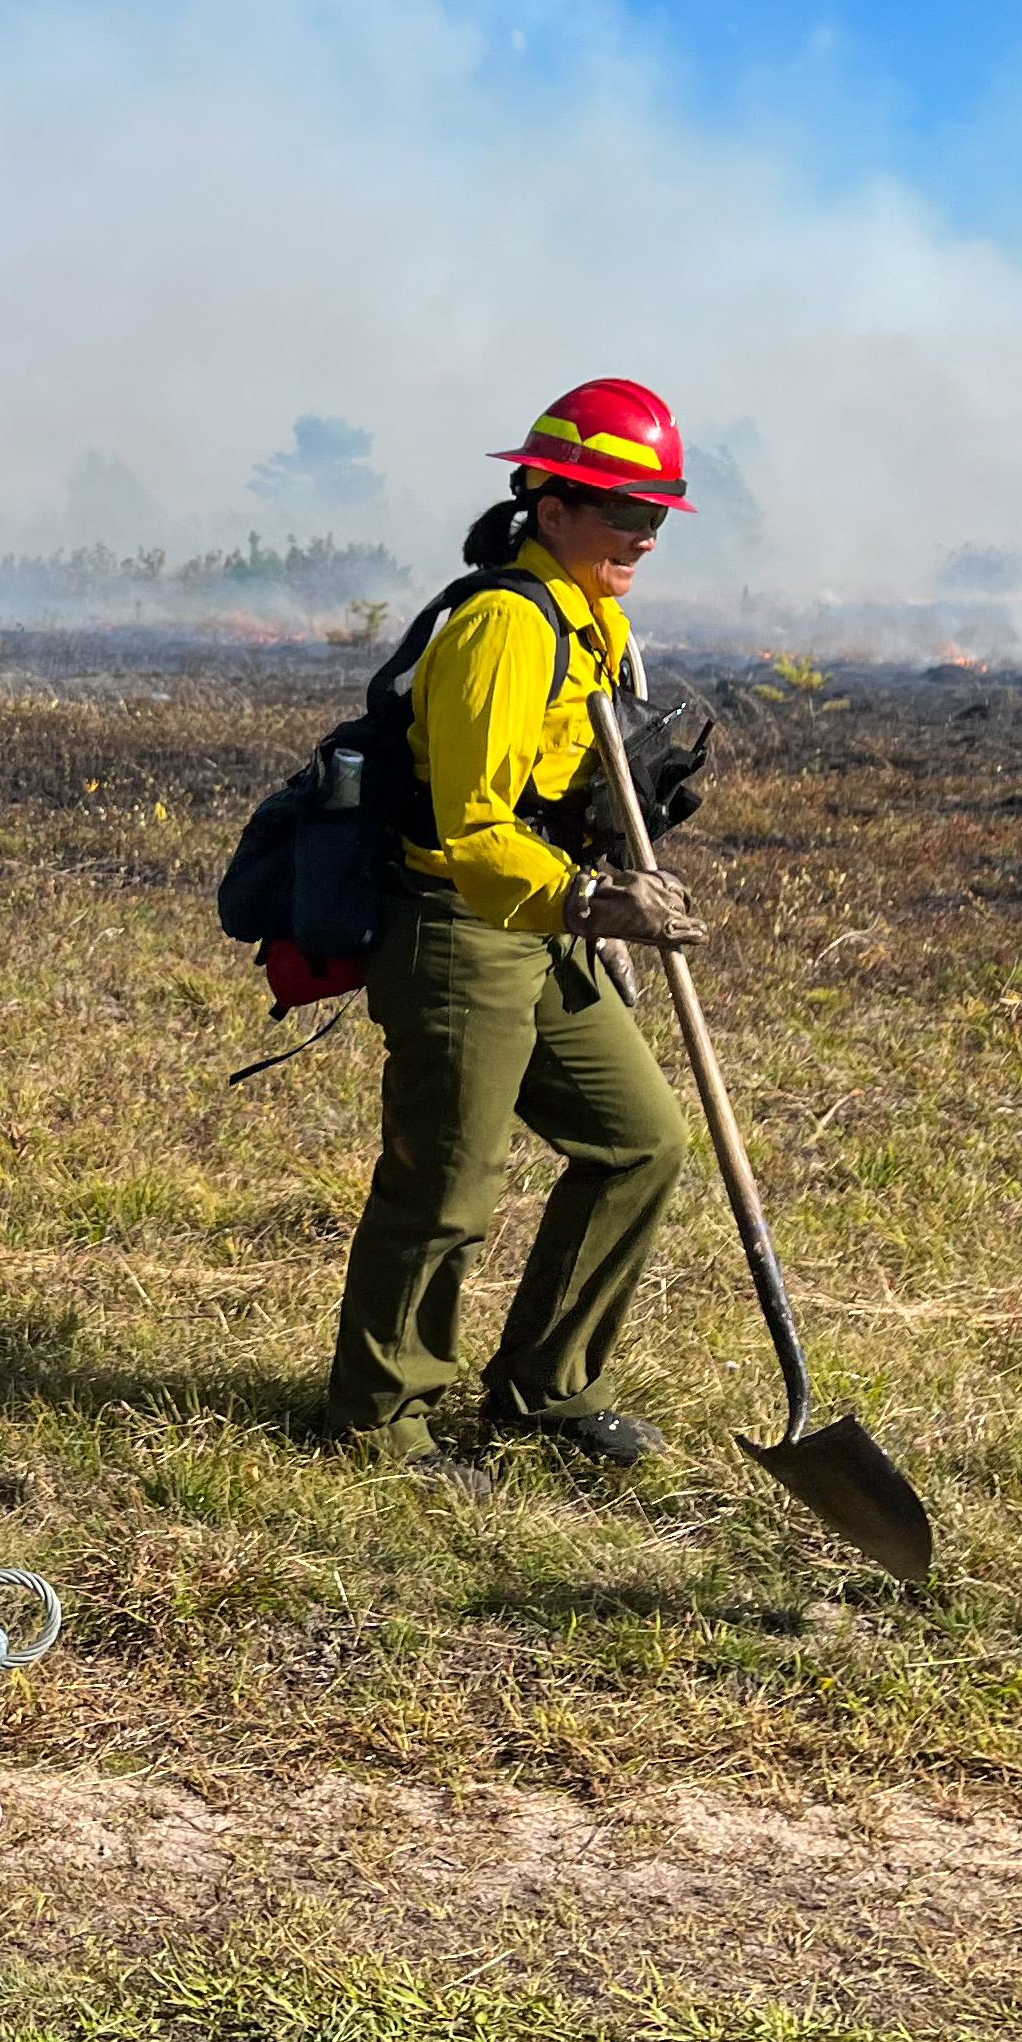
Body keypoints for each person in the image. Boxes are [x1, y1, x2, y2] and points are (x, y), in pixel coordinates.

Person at [320, 378, 704, 1483]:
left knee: (642, 1141)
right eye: (622, 509)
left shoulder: (598, 619)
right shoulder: (502, 624)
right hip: (456, 921)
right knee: (447, 1180)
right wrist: (586, 900)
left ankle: (547, 1386)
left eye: (656, 514)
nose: (642, 532)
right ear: (551, 503)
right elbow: (474, 825)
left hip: (543, 923)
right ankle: (381, 1419)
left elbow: (559, 799)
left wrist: (607, 878)